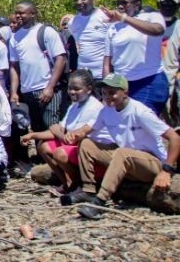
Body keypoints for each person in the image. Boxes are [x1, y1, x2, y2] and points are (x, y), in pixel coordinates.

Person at [62, 73, 180, 219]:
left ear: (125, 92)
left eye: (112, 93)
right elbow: (89, 128)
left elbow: (174, 137)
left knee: (122, 153)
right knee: (86, 143)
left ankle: (100, 201)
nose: (107, 97)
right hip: (127, 158)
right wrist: (76, 134)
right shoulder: (106, 111)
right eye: (104, 93)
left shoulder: (140, 111)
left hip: (152, 162)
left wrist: (166, 170)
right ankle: (88, 190)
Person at [20, 70, 111, 195]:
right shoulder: (74, 106)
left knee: (60, 153)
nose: (72, 92)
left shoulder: (93, 107)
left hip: (92, 154)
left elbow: (70, 138)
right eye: (70, 88)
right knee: (43, 146)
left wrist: (57, 130)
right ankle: (68, 183)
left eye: (77, 89)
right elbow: (60, 130)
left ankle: (81, 185)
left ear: (89, 89)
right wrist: (32, 135)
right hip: (77, 148)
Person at [101, 0, 168, 115]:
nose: (120, 6)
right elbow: (107, 63)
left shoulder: (152, 16)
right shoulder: (113, 27)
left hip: (148, 81)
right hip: (122, 85)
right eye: (118, 3)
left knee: (140, 119)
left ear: (137, 4)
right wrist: (107, 88)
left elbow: (157, 30)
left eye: (124, 3)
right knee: (121, 122)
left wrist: (124, 18)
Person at [9, 0, 68, 133]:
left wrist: (50, 87)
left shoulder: (46, 31)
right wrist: (14, 92)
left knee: (51, 126)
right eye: (16, 13)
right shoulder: (15, 37)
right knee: (36, 128)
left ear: (33, 13)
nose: (18, 16)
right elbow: (14, 67)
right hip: (27, 91)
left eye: (22, 13)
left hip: (46, 88)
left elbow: (60, 59)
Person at [67, 0, 109, 79]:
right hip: (83, 75)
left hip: (102, 74)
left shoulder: (105, 17)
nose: (79, 2)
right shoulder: (72, 22)